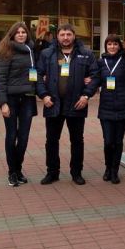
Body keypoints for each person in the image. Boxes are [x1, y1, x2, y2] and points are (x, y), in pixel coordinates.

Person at [36, 23, 99, 185]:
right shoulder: (46, 54)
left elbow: (95, 76)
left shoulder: (86, 54)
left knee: (77, 140)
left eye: (68, 34)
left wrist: (86, 96)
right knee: (51, 140)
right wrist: (43, 96)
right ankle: (52, 172)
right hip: (53, 103)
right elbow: (37, 76)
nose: (65, 38)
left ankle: (76, 172)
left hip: (77, 104)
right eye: (62, 35)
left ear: (74, 36)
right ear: (57, 36)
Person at [0, 22, 37, 187]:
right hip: (11, 99)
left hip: (27, 98)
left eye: (23, 32)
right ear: (12, 35)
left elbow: (34, 74)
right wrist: (3, 103)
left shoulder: (30, 50)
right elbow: (1, 79)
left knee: (24, 137)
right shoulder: (6, 51)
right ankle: (12, 171)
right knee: (12, 135)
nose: (21, 34)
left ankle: (18, 169)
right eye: (18, 32)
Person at [96, 34, 125, 184]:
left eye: (115, 44)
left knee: (118, 141)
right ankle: (108, 168)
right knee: (108, 141)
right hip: (105, 108)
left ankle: (115, 171)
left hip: (122, 108)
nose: (112, 47)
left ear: (119, 46)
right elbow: (95, 79)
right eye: (109, 44)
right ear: (105, 46)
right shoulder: (101, 62)